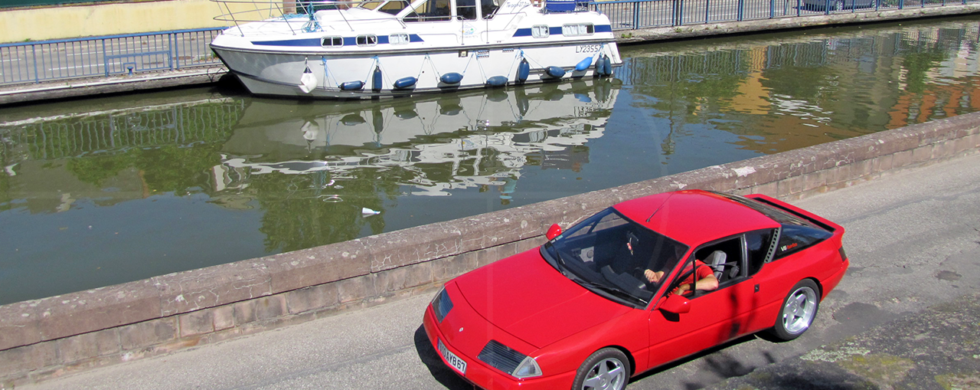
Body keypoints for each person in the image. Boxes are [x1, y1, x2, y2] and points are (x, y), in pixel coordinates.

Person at [643, 246, 719, 295]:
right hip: (662, 297)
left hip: (676, 303)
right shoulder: (673, 261)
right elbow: (660, 276)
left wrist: (684, 287)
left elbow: (713, 283)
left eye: (683, 248)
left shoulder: (701, 268)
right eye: (677, 247)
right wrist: (653, 275)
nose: (678, 250)